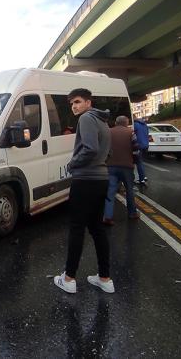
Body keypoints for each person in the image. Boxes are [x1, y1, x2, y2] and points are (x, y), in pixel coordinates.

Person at [53, 88, 114, 295]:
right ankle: (105, 278)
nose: (74, 106)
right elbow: (107, 151)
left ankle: (68, 278)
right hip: (101, 179)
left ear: (88, 102)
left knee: (77, 228)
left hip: (85, 180)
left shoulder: (86, 119)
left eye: (77, 102)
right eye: (71, 103)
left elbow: (90, 149)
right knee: (97, 228)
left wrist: (73, 164)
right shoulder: (103, 121)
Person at [103, 116, 139, 225]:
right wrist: (134, 162)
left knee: (110, 192)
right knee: (129, 190)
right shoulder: (131, 133)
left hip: (111, 166)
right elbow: (136, 149)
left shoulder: (108, 132)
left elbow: (103, 148)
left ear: (115, 122)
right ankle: (132, 213)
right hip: (127, 167)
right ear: (126, 123)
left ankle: (107, 216)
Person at [133, 117, 149, 185]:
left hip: (139, 145)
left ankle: (141, 179)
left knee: (138, 162)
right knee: (141, 162)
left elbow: (133, 134)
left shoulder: (135, 125)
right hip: (146, 145)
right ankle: (143, 176)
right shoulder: (144, 124)